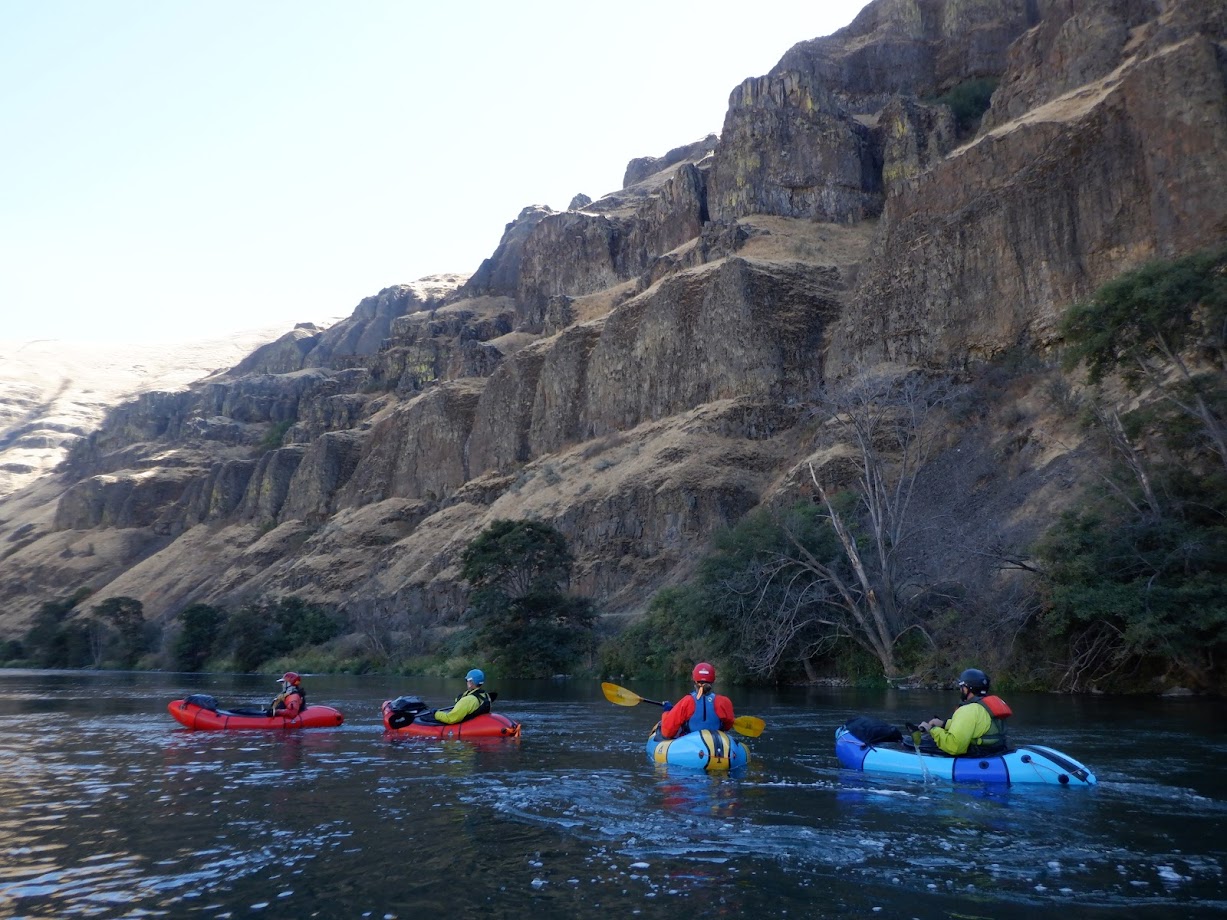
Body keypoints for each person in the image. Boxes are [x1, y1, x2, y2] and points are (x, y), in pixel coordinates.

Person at [918, 668, 1012, 755]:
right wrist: (944, 724)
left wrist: (932, 730)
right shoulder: (984, 707)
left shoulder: (968, 710)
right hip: (997, 751)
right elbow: (975, 725)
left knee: (928, 743)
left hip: (979, 755)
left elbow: (955, 747)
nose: (960, 689)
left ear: (968, 688)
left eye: (962, 686)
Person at [659, 662, 736, 739]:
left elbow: (667, 732)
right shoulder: (724, 702)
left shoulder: (686, 702)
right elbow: (727, 726)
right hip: (716, 743)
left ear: (695, 680)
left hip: (691, 745)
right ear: (713, 680)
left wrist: (667, 711)